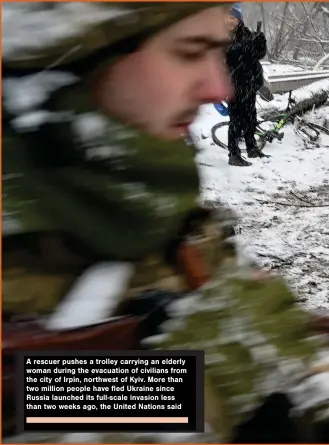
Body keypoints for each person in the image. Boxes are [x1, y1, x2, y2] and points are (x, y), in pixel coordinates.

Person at [2, 3, 329, 443]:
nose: (217, 87)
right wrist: (210, 385)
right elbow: (38, 404)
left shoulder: (161, 213)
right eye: (189, 51)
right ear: (76, 59)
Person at [226, 3, 269, 166]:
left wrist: (260, 42)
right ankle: (233, 154)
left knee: (251, 119)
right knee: (236, 120)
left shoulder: (246, 33)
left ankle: (251, 148)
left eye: (233, 17)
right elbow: (226, 57)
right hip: (233, 84)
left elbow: (258, 55)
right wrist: (242, 48)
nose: (229, 20)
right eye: (227, 17)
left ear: (239, 19)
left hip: (249, 84)